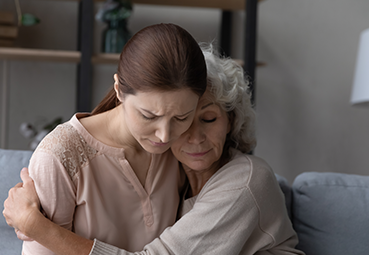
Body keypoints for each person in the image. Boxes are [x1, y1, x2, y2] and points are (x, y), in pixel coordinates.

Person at [4, 45, 305, 255]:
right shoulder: (167, 164)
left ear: (231, 120)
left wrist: (35, 225)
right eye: (182, 121)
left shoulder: (244, 182)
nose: (194, 137)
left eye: (210, 119)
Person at [3, 23, 207, 255]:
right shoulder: (59, 156)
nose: (165, 135)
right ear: (119, 89)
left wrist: (34, 224)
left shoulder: (183, 147)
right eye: (149, 116)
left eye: (182, 117)